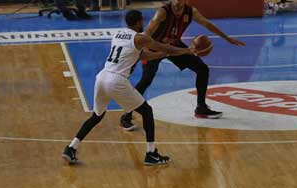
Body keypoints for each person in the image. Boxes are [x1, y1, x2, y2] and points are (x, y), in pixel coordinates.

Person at [62, 10, 197, 166]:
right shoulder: (140, 38)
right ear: (138, 22)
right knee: (147, 111)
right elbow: (168, 48)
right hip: (116, 81)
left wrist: (162, 55)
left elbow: (142, 56)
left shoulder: (118, 35)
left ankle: (71, 148)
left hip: (102, 77)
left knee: (96, 116)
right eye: (142, 21)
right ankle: (151, 153)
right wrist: (188, 50)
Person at [120, 0, 246, 130]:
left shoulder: (191, 12)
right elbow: (147, 33)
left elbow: (208, 25)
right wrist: (143, 52)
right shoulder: (163, 12)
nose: (177, 2)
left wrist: (227, 38)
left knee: (202, 69)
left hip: (174, 45)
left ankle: (201, 107)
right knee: (146, 80)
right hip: (155, 45)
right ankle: (126, 116)